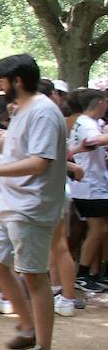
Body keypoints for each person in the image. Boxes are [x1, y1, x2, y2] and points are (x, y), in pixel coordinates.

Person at [0, 55, 68, 350]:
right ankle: (27, 326)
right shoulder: (22, 109)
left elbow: (39, 162)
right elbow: (14, 150)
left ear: (17, 81)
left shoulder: (43, 112)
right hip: (12, 203)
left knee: (35, 276)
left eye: (2, 81)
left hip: (32, 206)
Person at [67, 88, 108, 289]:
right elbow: (93, 140)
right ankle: (83, 275)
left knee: (100, 229)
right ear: (100, 102)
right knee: (98, 230)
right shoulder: (87, 123)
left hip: (91, 185)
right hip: (90, 186)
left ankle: (91, 273)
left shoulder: (83, 122)